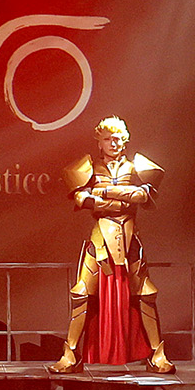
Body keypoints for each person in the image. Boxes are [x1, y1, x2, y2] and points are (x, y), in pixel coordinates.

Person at [53, 116, 171, 375]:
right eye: (108, 139)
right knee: (82, 294)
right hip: (99, 239)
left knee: (145, 294)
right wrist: (122, 198)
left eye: (117, 139)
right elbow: (82, 199)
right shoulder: (89, 167)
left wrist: (103, 192)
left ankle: (157, 354)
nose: (113, 143)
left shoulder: (135, 167)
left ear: (125, 141)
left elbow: (143, 196)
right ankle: (70, 355)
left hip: (129, 238)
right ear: (100, 142)